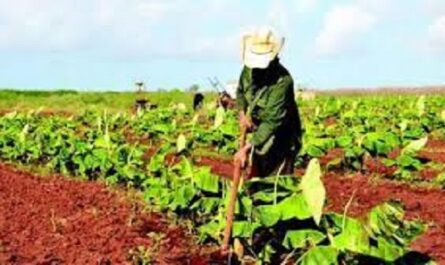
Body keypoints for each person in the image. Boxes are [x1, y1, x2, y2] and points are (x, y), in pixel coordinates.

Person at [234, 28, 302, 178]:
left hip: (281, 139)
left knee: (274, 185)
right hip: (260, 135)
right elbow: (240, 92)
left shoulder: (283, 82)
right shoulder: (248, 70)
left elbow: (272, 122)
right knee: (257, 179)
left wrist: (245, 148)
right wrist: (242, 115)